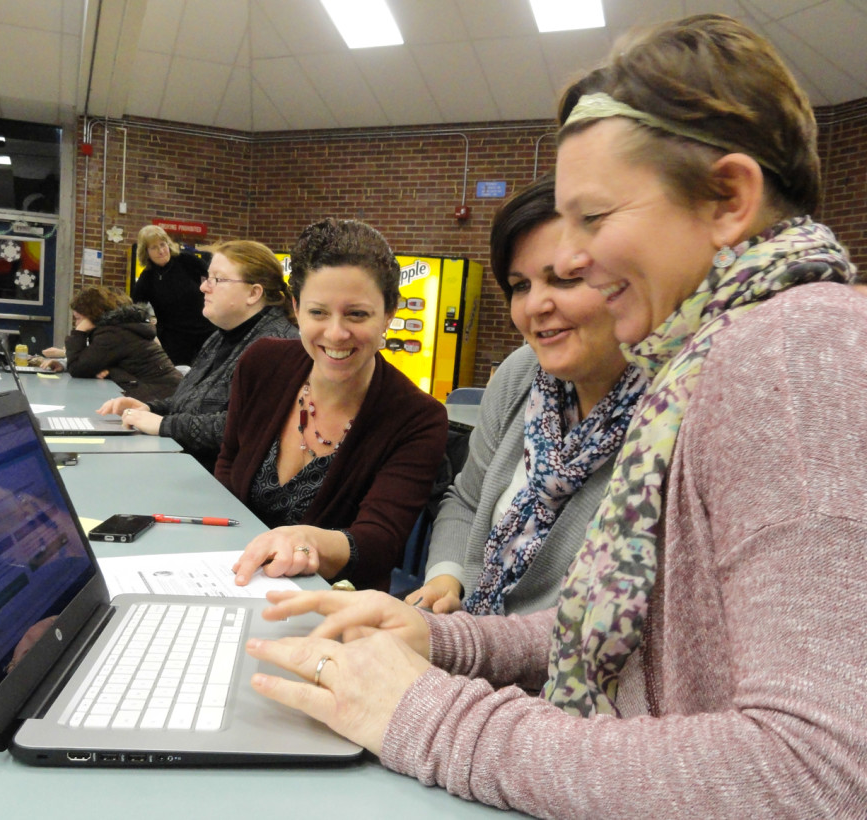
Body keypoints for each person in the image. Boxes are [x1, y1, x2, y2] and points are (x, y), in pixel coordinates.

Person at [242, 15, 867, 817]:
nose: (570, 263)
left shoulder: (790, 348)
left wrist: (424, 714)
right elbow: (643, 637)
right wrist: (443, 640)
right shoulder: (704, 359)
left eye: (595, 220)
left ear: (728, 199)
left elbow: (821, 768)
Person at [406, 178, 645, 615]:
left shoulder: (669, 420)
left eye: (566, 279)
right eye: (520, 285)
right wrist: (446, 576)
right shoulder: (521, 373)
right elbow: (466, 500)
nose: (535, 305)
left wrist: (462, 644)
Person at [218, 218, 449, 592]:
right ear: (295, 307)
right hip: (234, 577)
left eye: (357, 314)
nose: (336, 333)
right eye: (318, 312)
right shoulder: (261, 364)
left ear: (389, 313)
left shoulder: (418, 418)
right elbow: (229, 463)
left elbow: (378, 541)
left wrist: (304, 543)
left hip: (335, 604)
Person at [96, 240, 299, 471]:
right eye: (207, 278)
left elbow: (241, 428)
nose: (203, 287)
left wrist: (164, 424)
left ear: (253, 293)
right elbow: (194, 402)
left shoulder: (278, 346)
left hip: (220, 487)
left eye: (217, 279)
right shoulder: (221, 336)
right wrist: (151, 409)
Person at [63, 284, 182, 403]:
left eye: (78, 318)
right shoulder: (122, 329)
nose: (77, 324)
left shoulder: (113, 334)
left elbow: (77, 368)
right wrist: (112, 371)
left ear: (92, 316)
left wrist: (79, 333)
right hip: (169, 393)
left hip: (163, 399)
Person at [132, 225, 214, 366]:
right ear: (146, 252)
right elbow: (134, 307)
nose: (161, 251)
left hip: (206, 331)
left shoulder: (186, 260)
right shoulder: (147, 278)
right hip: (174, 340)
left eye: (163, 245)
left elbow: (213, 275)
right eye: (154, 248)